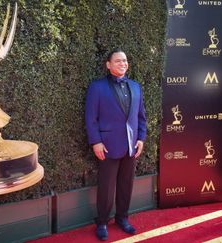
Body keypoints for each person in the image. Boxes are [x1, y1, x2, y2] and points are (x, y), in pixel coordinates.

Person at [85, 49, 147, 240]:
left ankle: (122, 218)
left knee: (126, 185)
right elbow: (90, 118)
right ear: (108, 65)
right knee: (106, 186)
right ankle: (102, 221)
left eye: (125, 60)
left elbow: (141, 117)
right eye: (118, 61)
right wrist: (96, 142)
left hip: (131, 146)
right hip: (108, 146)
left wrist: (141, 138)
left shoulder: (135, 87)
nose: (123, 63)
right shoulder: (97, 87)